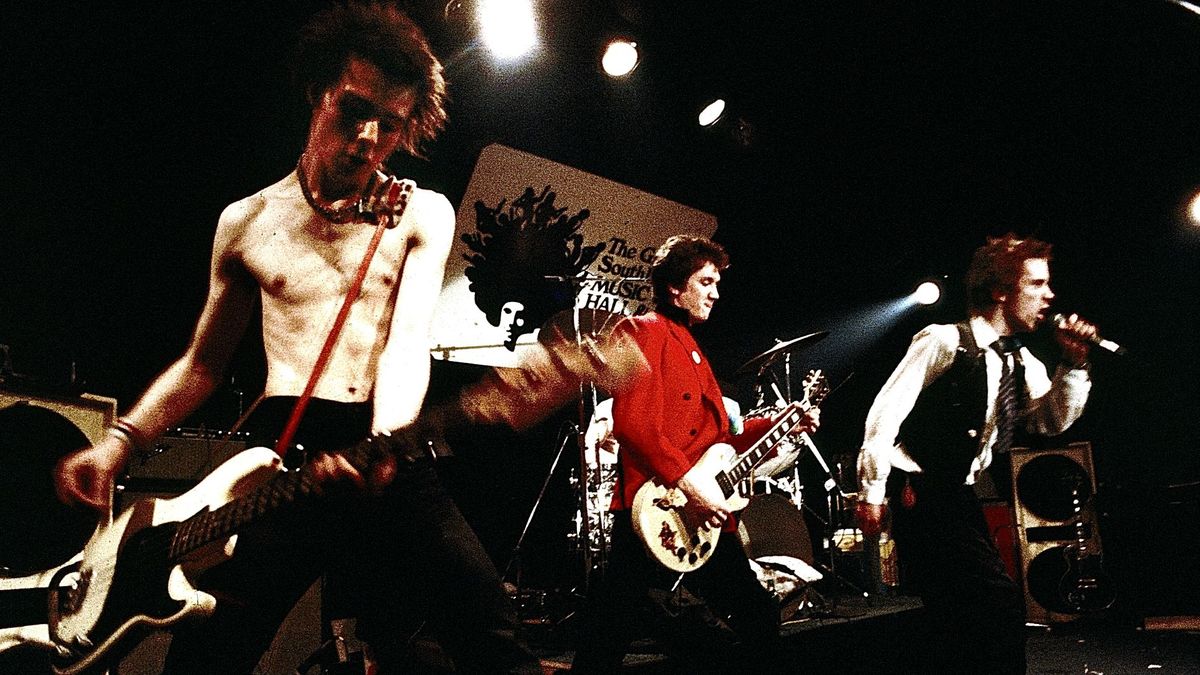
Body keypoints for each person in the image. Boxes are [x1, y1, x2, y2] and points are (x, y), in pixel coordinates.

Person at [54, 3, 539, 672]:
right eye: (353, 109)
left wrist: (382, 441)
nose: (368, 138)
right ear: (320, 92)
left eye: (389, 126)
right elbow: (202, 363)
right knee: (205, 653)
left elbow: (404, 341)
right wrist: (118, 442)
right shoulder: (247, 221)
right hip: (283, 459)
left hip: (384, 442)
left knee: (491, 632)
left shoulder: (421, 213)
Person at [571, 235, 817, 672]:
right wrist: (689, 485)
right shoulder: (643, 331)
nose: (715, 293)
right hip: (657, 504)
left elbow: (720, 444)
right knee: (614, 625)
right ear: (674, 288)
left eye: (716, 282)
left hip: (694, 508)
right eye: (705, 281)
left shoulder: (691, 345)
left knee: (617, 624)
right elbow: (635, 425)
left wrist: (782, 423)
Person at [855, 233, 1098, 673]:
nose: (1050, 295)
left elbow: (1050, 423)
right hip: (923, 493)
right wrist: (870, 493)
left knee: (964, 617)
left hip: (962, 497)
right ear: (1001, 291)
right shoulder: (945, 340)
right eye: (1036, 284)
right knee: (995, 604)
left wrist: (1075, 364)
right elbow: (884, 414)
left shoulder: (1022, 362)